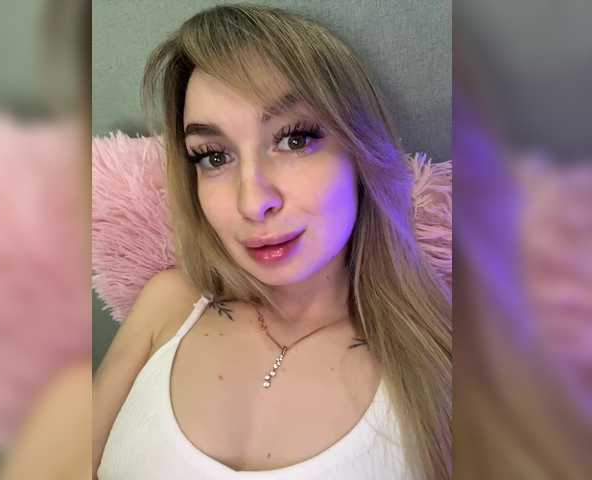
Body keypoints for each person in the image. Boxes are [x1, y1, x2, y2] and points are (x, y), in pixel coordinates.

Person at [93, 5, 451, 480]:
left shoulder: (447, 365)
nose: (253, 202)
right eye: (213, 156)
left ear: (360, 152)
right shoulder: (168, 305)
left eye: (295, 140)